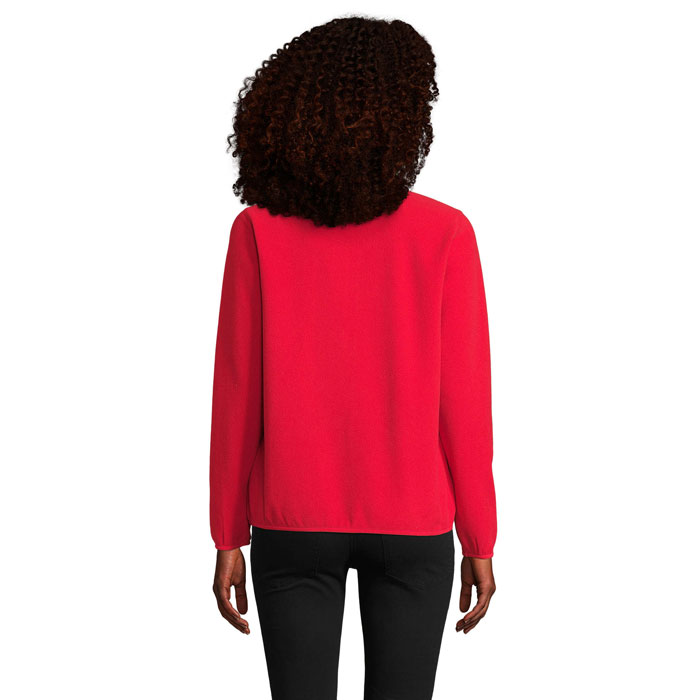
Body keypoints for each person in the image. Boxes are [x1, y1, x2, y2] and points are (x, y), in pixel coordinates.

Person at [209, 15, 497, 700]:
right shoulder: (445, 234)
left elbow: (236, 392)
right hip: (413, 520)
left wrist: (226, 532)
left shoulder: (257, 231)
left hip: (291, 517)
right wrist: (479, 537)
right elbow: (464, 403)